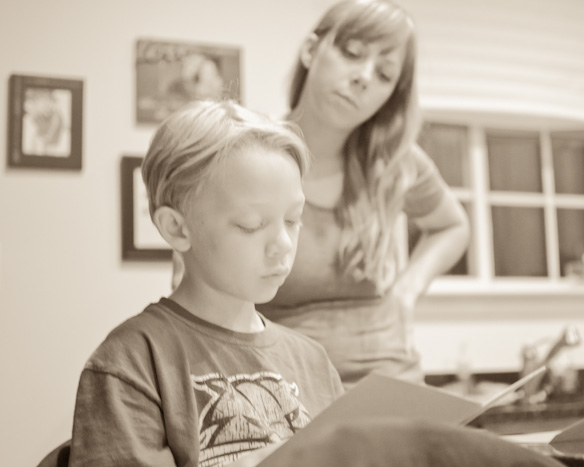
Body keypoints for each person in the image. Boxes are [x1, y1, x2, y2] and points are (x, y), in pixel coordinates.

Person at [68, 100, 344, 467]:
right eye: (251, 224)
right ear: (177, 228)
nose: (283, 244)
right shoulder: (132, 362)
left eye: (293, 220)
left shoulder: (314, 363)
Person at [257, 0, 470, 388]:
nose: (364, 77)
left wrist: (406, 291)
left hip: (390, 386)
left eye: (385, 74)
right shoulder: (247, 153)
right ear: (311, 50)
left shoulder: (395, 162)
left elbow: (453, 226)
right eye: (352, 53)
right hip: (283, 393)